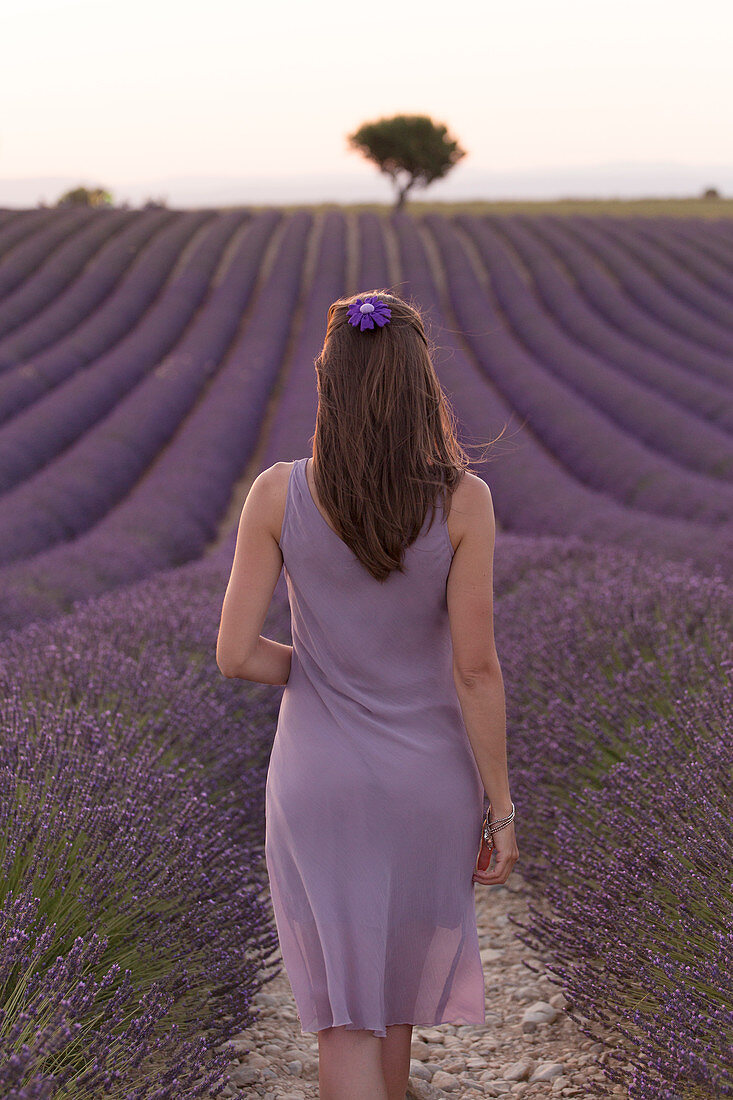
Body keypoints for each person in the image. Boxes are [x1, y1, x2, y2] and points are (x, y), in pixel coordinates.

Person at [216, 291, 519, 1100]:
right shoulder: (463, 501)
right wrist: (501, 805)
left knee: (345, 1012)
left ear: (328, 383)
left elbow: (236, 655)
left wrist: (322, 669)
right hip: (426, 781)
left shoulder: (277, 494)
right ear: (423, 387)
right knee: (391, 1008)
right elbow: (475, 668)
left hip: (318, 780)